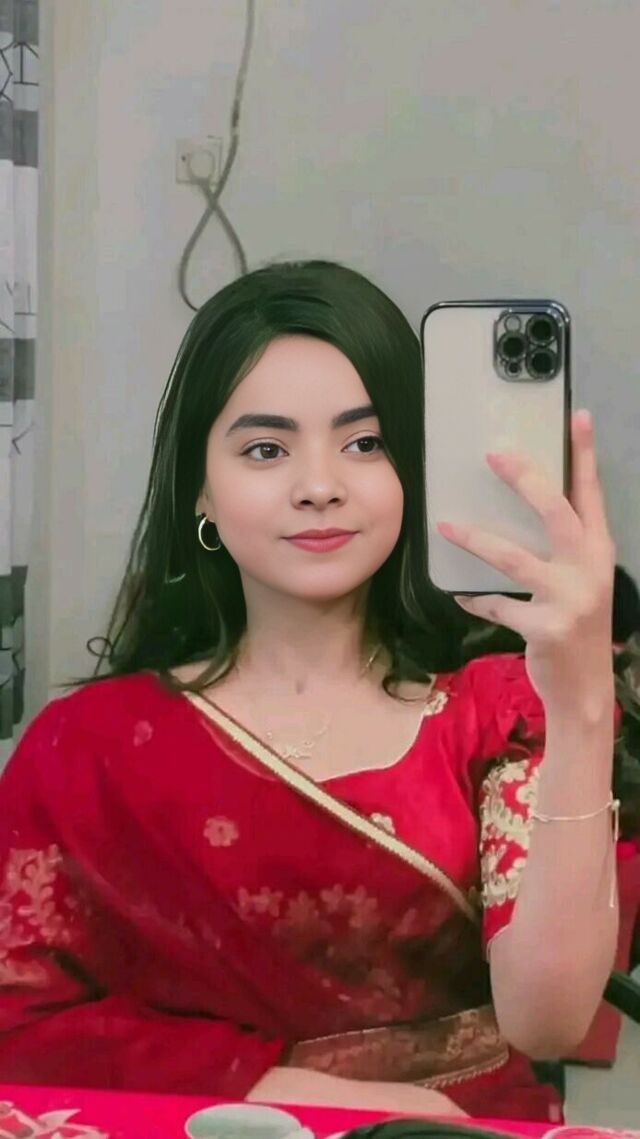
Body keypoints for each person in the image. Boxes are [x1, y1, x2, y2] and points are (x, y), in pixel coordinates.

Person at [0, 261, 619, 1121]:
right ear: (201, 489)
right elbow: (20, 1017)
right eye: (266, 449)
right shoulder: (88, 746)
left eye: (365, 443)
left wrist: (583, 699)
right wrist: (296, 1094)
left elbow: (548, 1019)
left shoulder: (496, 710)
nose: (320, 484)